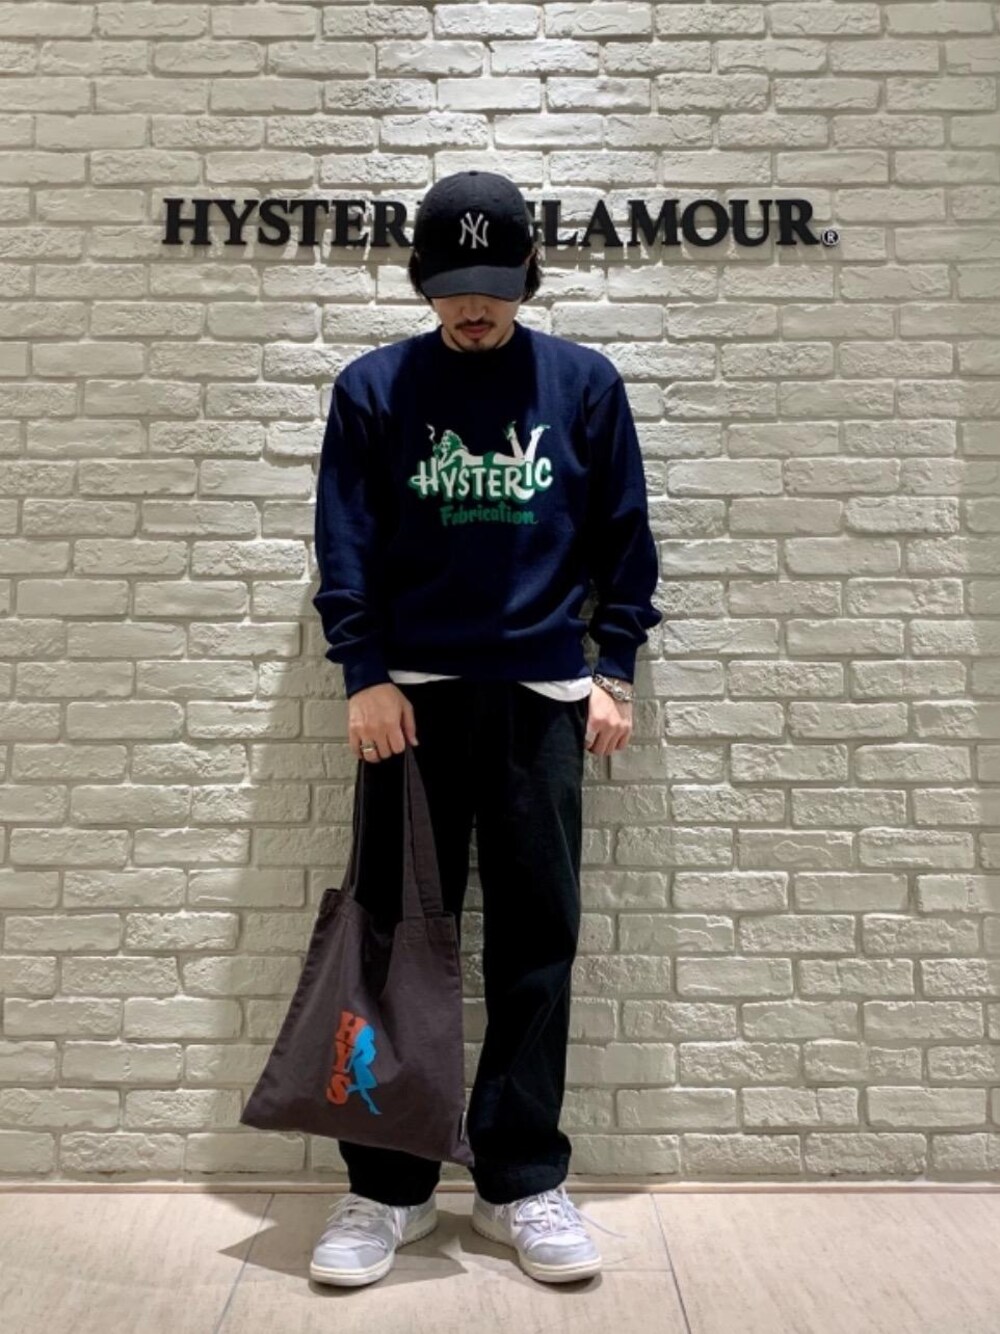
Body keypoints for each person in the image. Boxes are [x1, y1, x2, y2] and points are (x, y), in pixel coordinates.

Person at [307, 169, 662, 1288]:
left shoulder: (583, 383)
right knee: (391, 941)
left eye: (496, 284)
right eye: (455, 285)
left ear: (528, 276)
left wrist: (613, 668)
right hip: (406, 706)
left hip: (541, 701)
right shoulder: (374, 387)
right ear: (421, 278)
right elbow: (346, 540)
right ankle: (387, 1186)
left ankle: (520, 1179)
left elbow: (622, 537)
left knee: (534, 939)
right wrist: (364, 672)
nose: (475, 306)